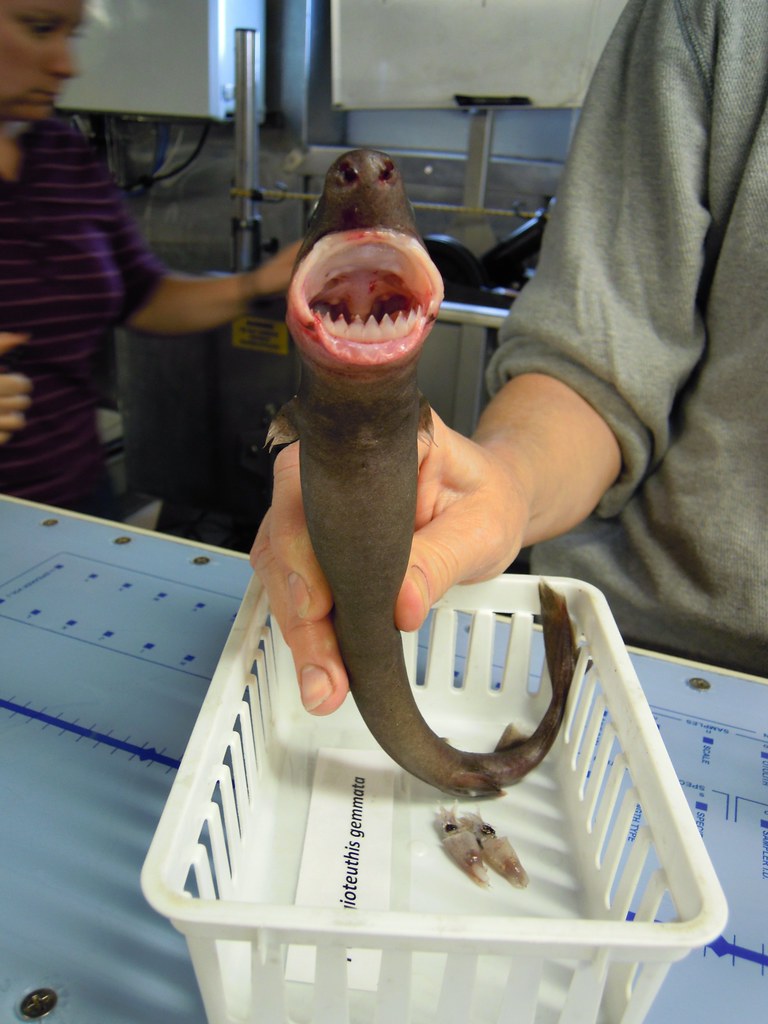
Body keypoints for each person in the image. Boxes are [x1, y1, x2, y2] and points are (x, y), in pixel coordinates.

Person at [251, 0, 768, 704]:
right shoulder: (709, 16)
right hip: (626, 643)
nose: (366, 176)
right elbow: (597, 361)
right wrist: (507, 486)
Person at [0, 0, 298, 516]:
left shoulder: (60, 156)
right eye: (39, 28)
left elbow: (142, 295)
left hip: (73, 501)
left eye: (71, 35)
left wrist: (259, 283)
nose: (66, 65)